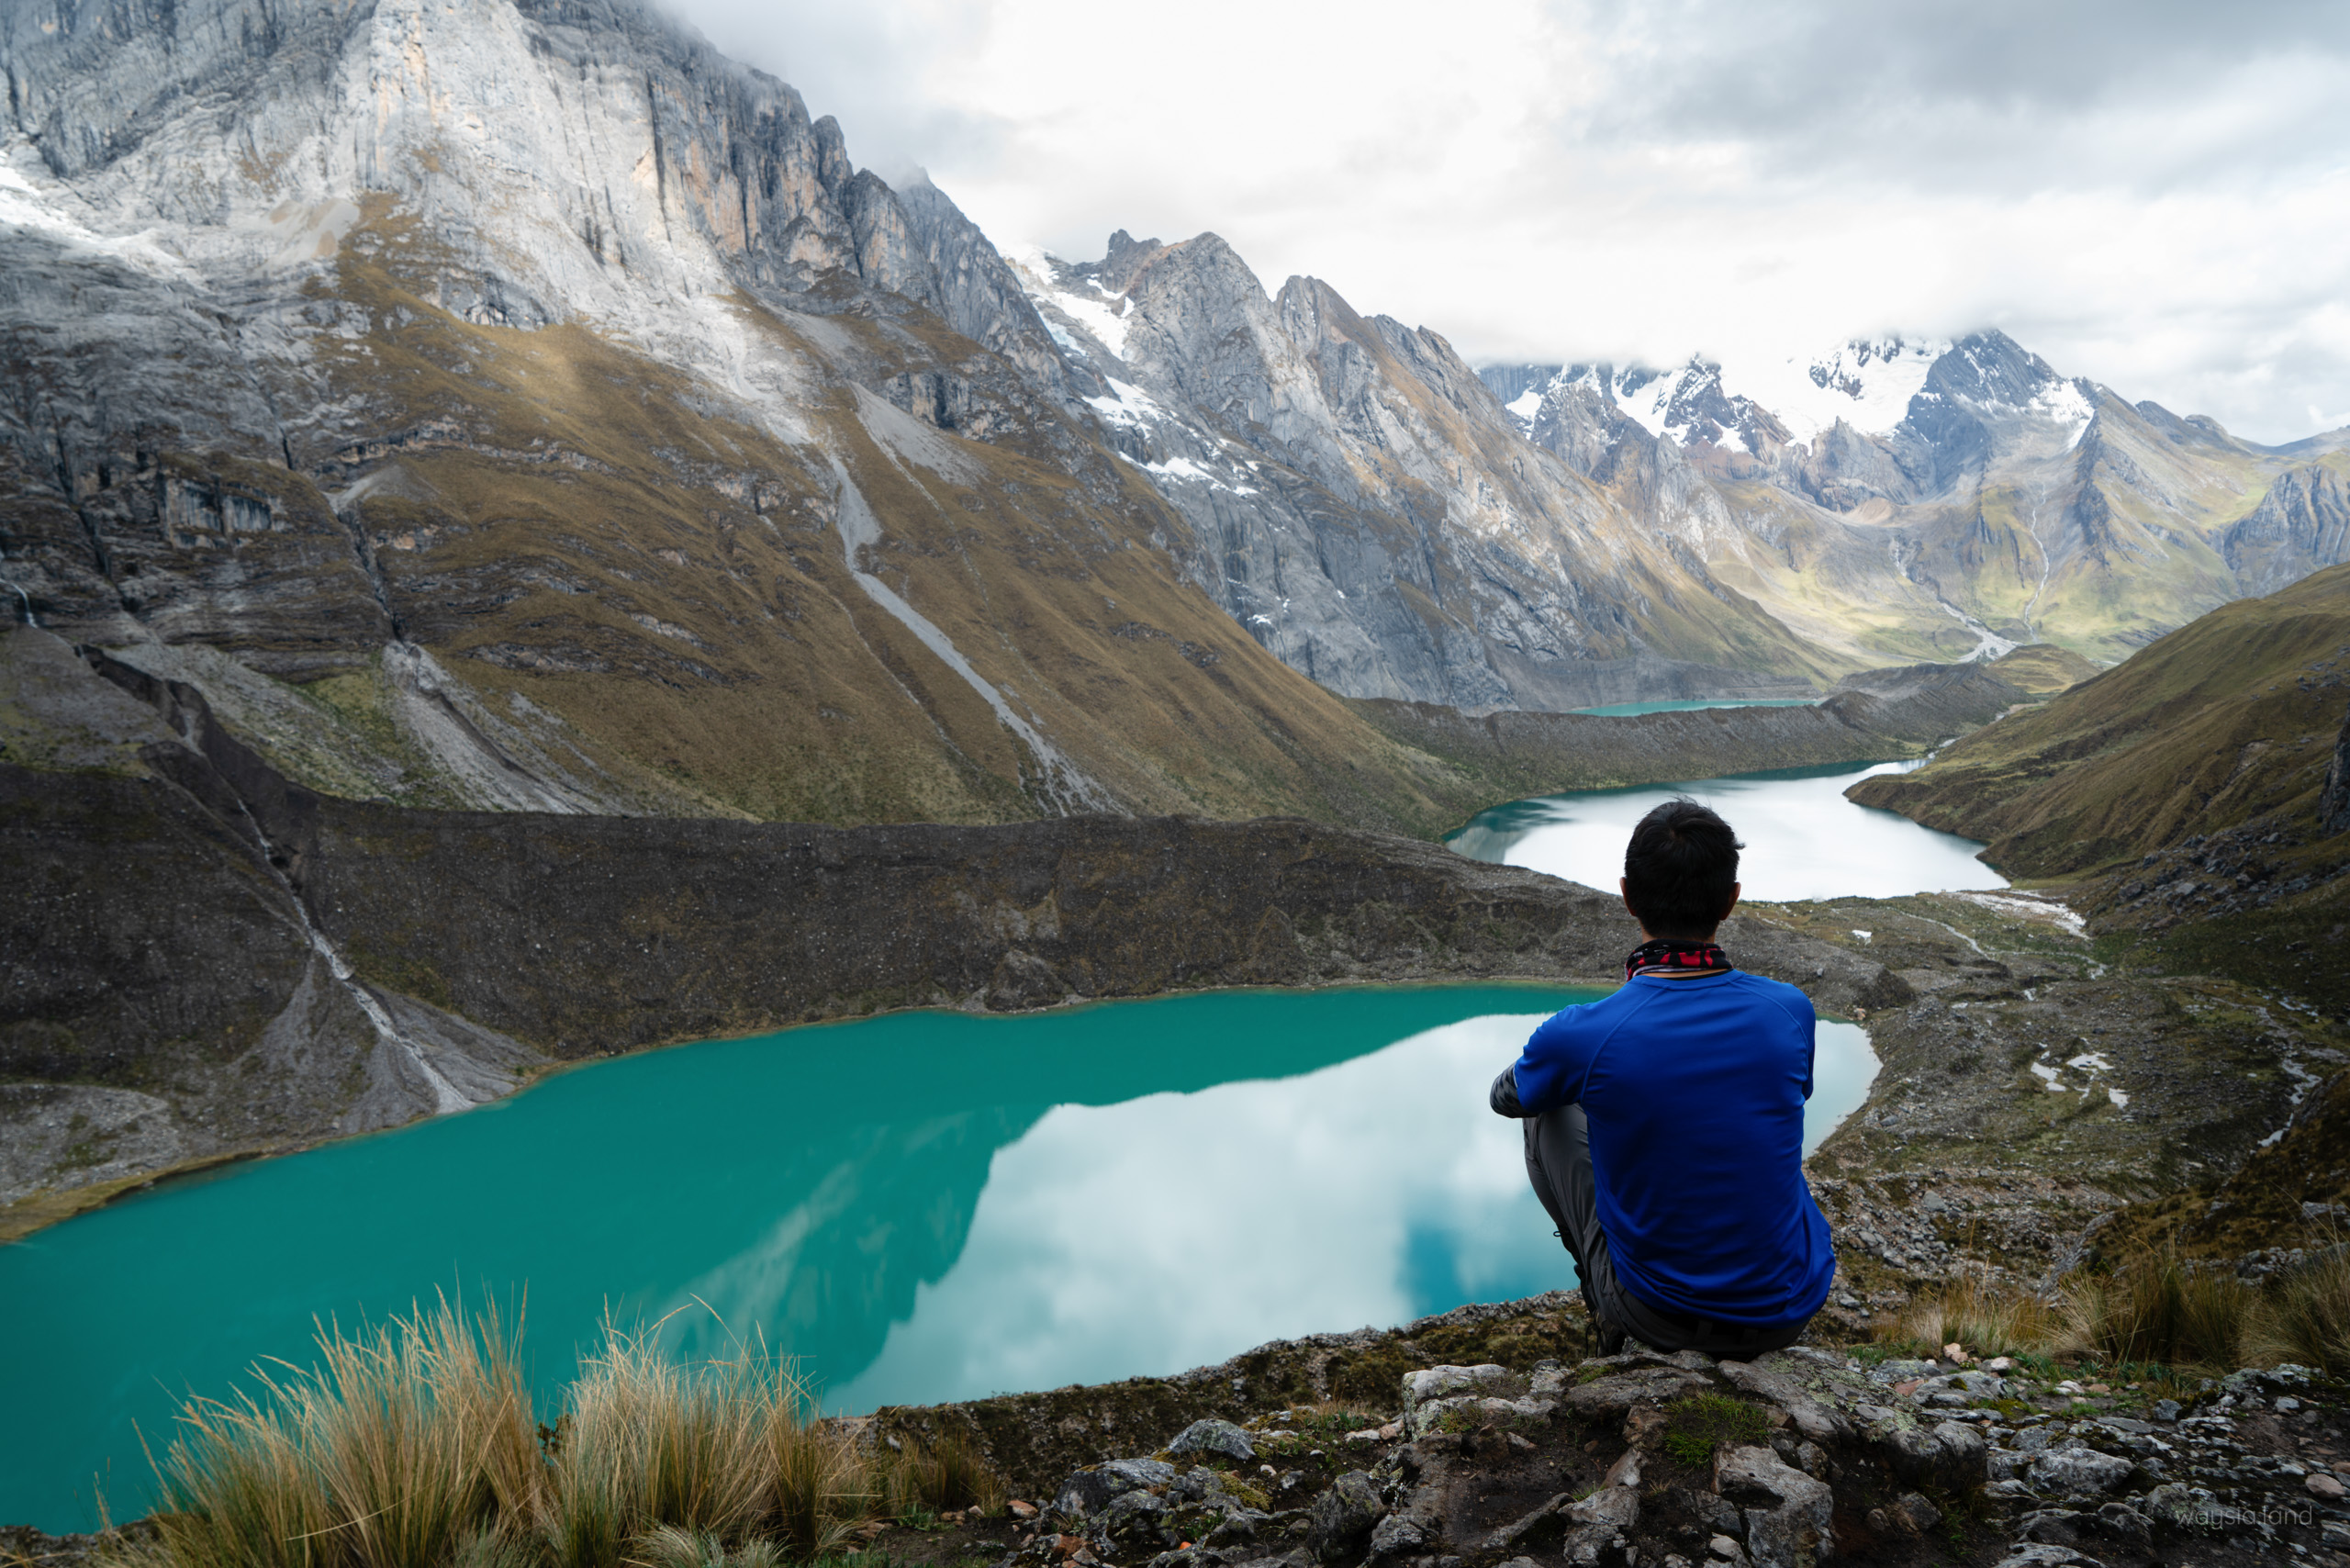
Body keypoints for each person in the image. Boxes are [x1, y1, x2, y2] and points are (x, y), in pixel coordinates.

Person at [1490, 799, 1833, 1359]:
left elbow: (1505, 1098)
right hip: (1787, 1310)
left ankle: (1607, 1307)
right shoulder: (1790, 1011)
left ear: (1627, 896)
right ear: (1730, 900)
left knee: (1545, 1112)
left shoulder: (1583, 1034)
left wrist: (1561, 1066)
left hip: (1660, 1318)